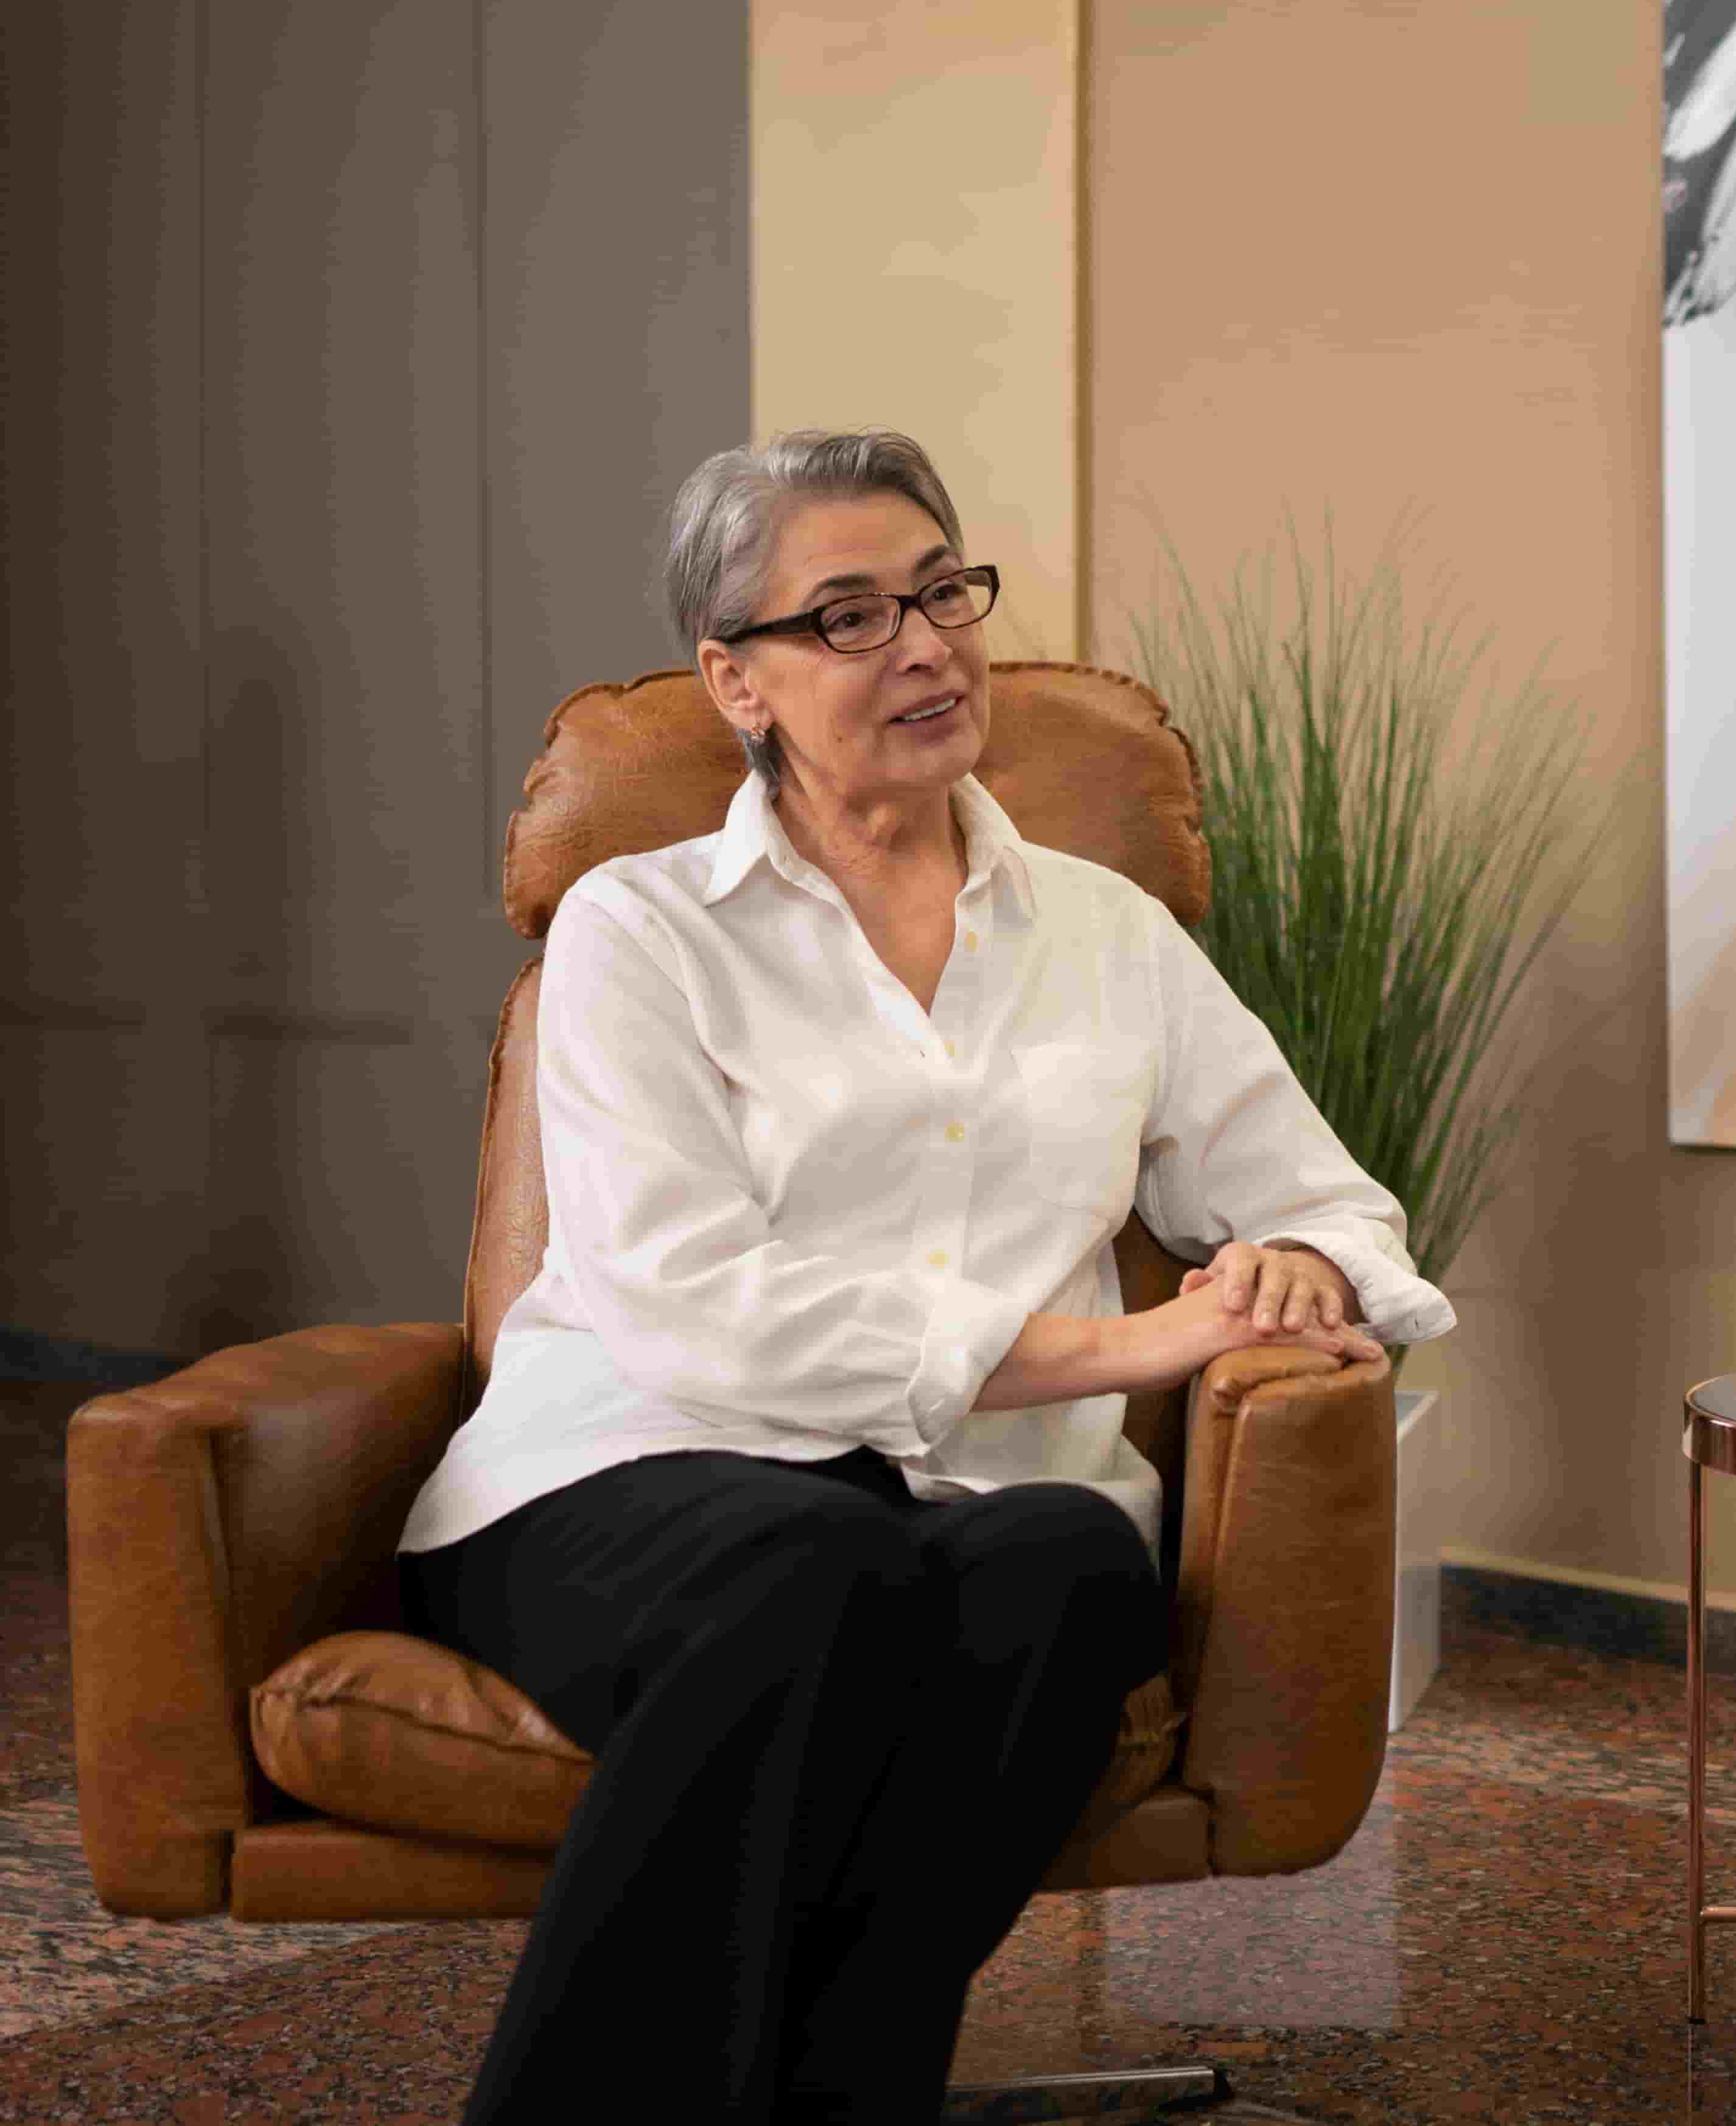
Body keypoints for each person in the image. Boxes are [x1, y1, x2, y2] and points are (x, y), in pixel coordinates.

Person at [396, 429, 1450, 2126]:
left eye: (944, 593)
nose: (926, 646)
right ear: (735, 681)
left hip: (962, 1497)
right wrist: (1126, 1346)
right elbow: (687, 1304)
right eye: (851, 616)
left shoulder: (1110, 934)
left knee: (1066, 1563)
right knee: (816, 1564)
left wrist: (1295, 1262)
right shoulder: (638, 928)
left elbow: (1339, 1206)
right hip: (626, 1473)